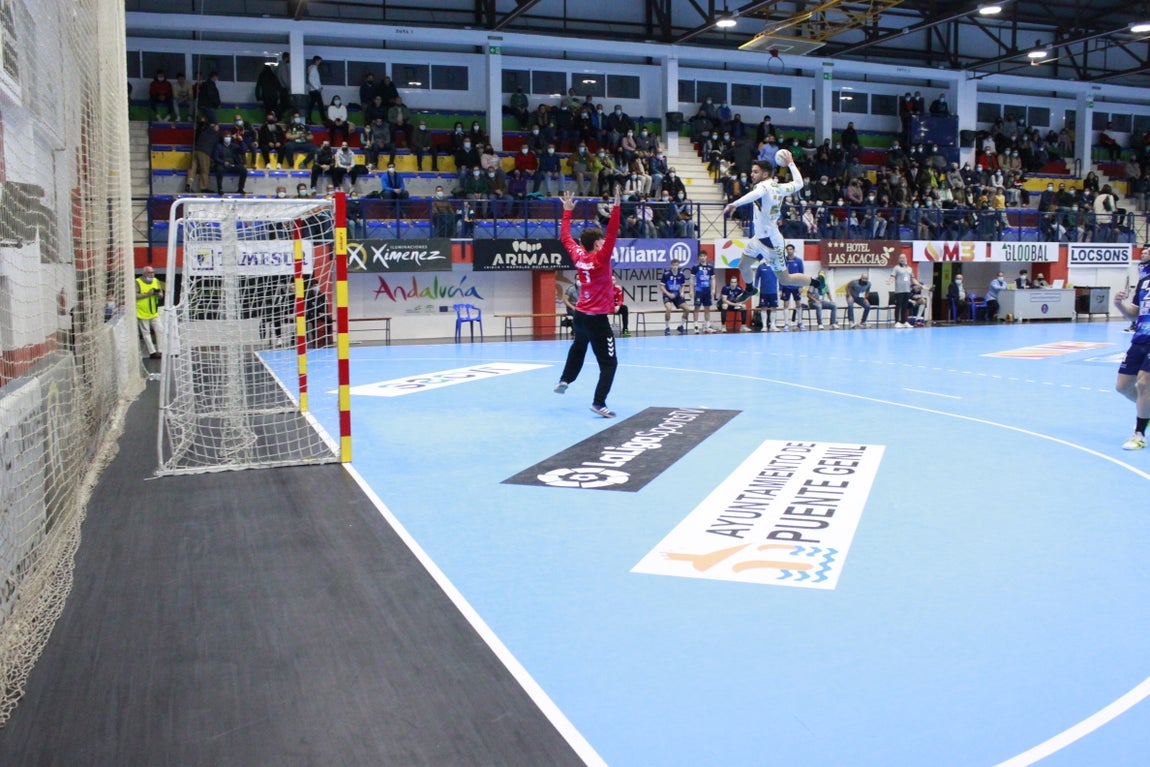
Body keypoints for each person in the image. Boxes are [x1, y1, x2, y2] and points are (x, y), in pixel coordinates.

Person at [553, 187, 623, 418]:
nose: (606, 243)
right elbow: (612, 233)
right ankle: (599, 402)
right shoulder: (600, 258)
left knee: (579, 347)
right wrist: (616, 207)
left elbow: (565, 237)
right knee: (609, 363)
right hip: (596, 320)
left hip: (580, 316)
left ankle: (565, 379)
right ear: (596, 244)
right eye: (602, 241)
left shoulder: (578, 254)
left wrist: (566, 211)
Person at [721, 151, 812, 301]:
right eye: (752, 172)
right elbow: (799, 183)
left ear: (765, 174)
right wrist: (790, 163)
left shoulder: (763, 187)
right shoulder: (779, 187)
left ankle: (816, 281)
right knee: (743, 265)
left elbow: (754, 196)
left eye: (755, 172)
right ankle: (750, 289)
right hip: (759, 238)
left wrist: (734, 204)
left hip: (771, 242)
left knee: (785, 280)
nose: (752, 175)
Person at [1112, 252, 1150, 449]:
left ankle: (1139, 434)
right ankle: (1147, 410)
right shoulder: (1144, 283)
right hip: (1140, 339)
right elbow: (1133, 315)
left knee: (1144, 383)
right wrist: (1119, 305)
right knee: (1123, 387)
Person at [136, 267, 165, 359]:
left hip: (153, 311)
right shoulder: (137, 282)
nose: (152, 274)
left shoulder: (156, 281)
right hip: (141, 311)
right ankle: (152, 352)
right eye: (149, 273)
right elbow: (134, 295)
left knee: (160, 330)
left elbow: (161, 295)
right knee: (146, 333)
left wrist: (158, 294)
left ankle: (161, 350)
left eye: (153, 272)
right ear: (144, 273)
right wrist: (147, 294)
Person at [659, 258, 690, 335]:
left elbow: (683, 285)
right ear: (671, 265)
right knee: (669, 308)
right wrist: (668, 294)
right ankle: (667, 327)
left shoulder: (681, 274)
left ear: (678, 265)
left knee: (687, 309)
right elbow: (661, 286)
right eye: (673, 265)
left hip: (677, 295)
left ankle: (680, 326)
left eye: (676, 265)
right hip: (668, 294)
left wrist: (682, 292)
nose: (675, 267)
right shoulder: (666, 274)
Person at [887, 253, 918, 327]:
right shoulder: (896, 268)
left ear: (906, 259)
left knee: (905, 306)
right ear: (899, 259)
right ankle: (897, 322)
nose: (902, 259)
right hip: (899, 291)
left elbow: (912, 279)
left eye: (903, 258)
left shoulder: (909, 268)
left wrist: (919, 284)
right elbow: (893, 276)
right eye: (900, 258)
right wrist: (890, 281)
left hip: (907, 290)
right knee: (898, 306)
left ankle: (904, 322)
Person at [779, 243, 805, 330]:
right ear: (786, 251)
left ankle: (800, 322)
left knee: (798, 304)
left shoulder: (799, 261)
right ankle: (786, 323)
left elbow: (801, 274)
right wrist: (780, 288)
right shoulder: (783, 261)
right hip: (786, 286)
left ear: (793, 250)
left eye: (791, 249)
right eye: (788, 249)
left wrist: (801, 285)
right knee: (786, 304)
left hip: (796, 285)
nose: (789, 251)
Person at [690, 252, 717, 333]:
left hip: (707, 291)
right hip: (698, 290)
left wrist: (713, 289)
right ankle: (695, 326)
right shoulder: (695, 267)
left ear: (706, 257)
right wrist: (691, 290)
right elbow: (692, 279)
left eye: (704, 256)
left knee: (707, 308)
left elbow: (713, 279)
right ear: (699, 257)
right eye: (701, 256)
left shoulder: (710, 267)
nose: (702, 257)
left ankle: (707, 326)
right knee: (697, 308)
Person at [306, 55, 324, 125]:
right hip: (315, 90)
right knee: (320, 105)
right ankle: (324, 119)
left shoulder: (312, 68)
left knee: (311, 105)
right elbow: (310, 80)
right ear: (316, 60)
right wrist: (317, 88)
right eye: (319, 61)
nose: (320, 62)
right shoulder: (313, 68)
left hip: (313, 90)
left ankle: (308, 119)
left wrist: (320, 86)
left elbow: (315, 80)